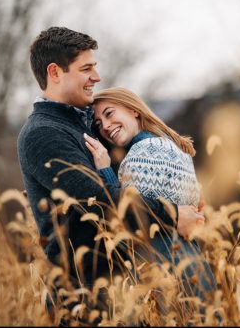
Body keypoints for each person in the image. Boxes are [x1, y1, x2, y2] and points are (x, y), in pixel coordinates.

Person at [16, 27, 205, 321]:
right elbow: (102, 199)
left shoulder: (85, 124)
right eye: (86, 68)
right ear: (55, 72)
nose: (97, 77)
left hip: (125, 290)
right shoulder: (43, 134)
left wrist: (183, 192)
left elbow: (130, 183)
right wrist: (174, 214)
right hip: (86, 297)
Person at [84, 87, 217, 303]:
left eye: (109, 114)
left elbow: (130, 214)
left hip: (167, 271)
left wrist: (105, 170)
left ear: (134, 110)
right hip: (191, 264)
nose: (106, 126)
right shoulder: (169, 146)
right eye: (99, 124)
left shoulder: (145, 153)